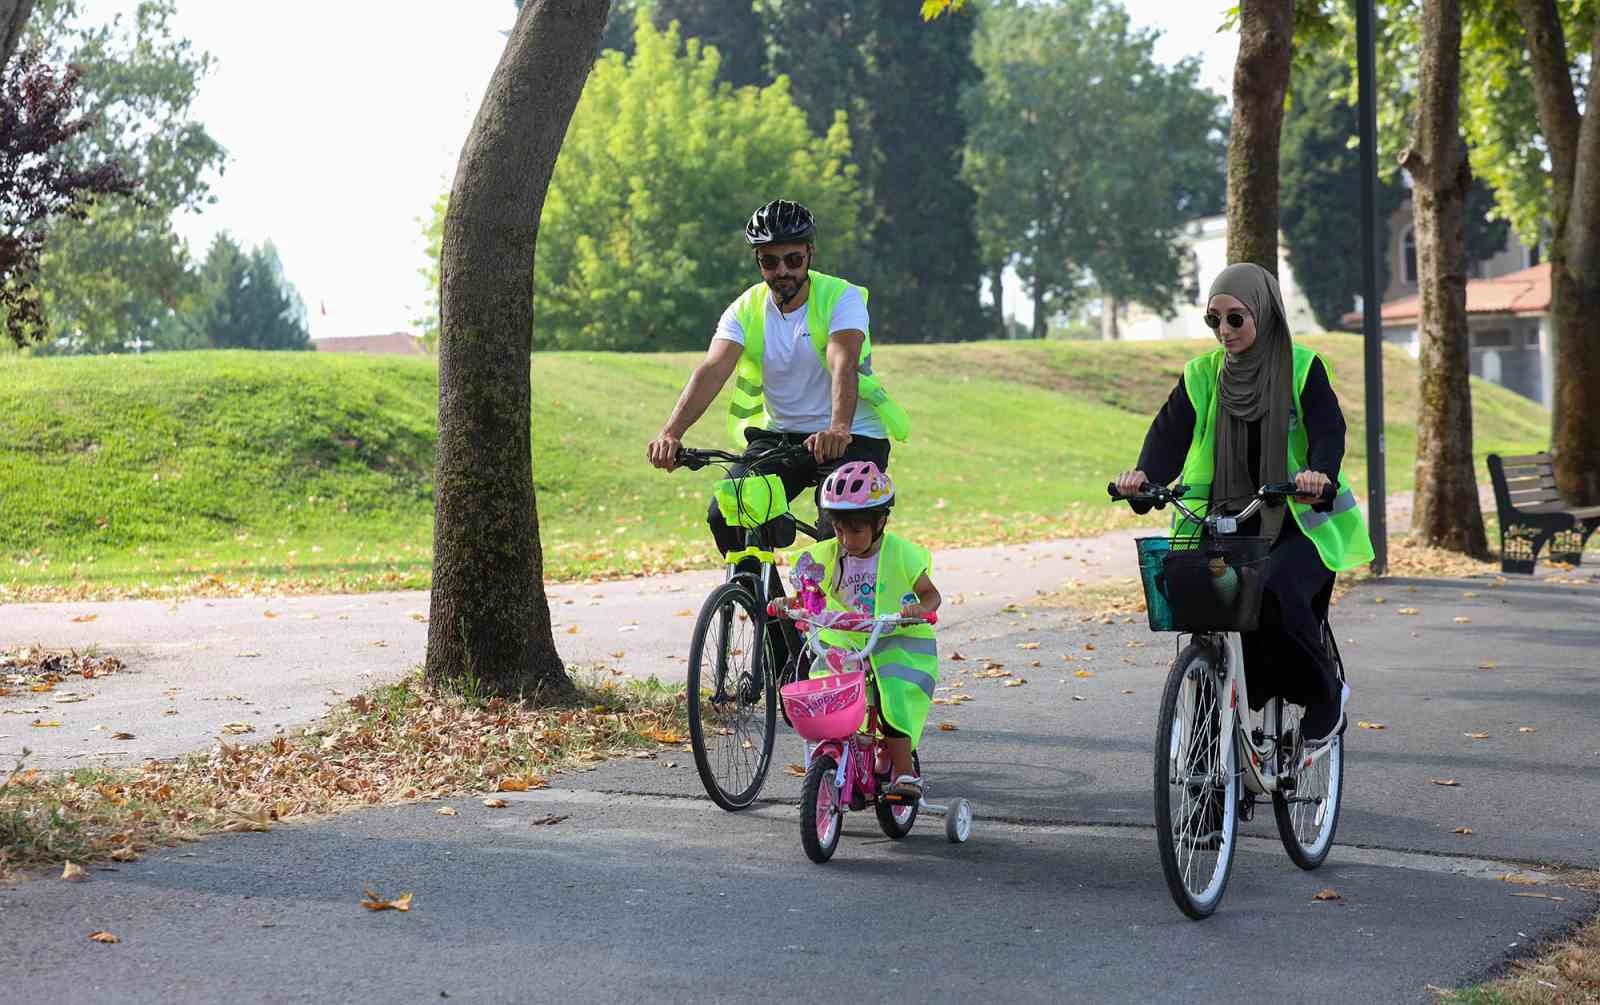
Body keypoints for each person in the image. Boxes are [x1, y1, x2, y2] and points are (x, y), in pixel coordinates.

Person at [1112, 262, 1374, 745]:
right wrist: (1143, 478)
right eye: (1214, 320)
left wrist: (1319, 474)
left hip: (1298, 522)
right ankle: (1209, 786)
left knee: (1273, 590)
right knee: (1201, 609)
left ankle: (1325, 694)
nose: (1224, 331)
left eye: (1236, 318)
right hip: (1221, 520)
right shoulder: (1202, 375)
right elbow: (1168, 436)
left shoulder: (1301, 367)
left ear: (1265, 313)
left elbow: (1328, 429)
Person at [645, 199, 910, 565]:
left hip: (853, 437)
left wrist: (837, 429)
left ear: (809, 254)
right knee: (727, 512)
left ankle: (836, 614)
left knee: (837, 523)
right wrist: (671, 433)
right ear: (758, 262)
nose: (782, 269)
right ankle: (762, 606)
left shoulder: (840, 298)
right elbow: (713, 369)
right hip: (781, 436)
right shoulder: (745, 308)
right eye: (770, 261)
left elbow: (843, 361)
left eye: (793, 259)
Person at [785, 461, 940, 799]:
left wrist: (919, 609)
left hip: (896, 642)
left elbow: (931, 595)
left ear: (880, 522)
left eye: (856, 531)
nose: (846, 539)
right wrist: (788, 603)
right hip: (844, 643)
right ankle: (846, 758)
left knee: (891, 698)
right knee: (831, 699)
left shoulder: (901, 554)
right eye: (839, 530)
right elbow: (805, 594)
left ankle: (903, 772)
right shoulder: (824, 556)